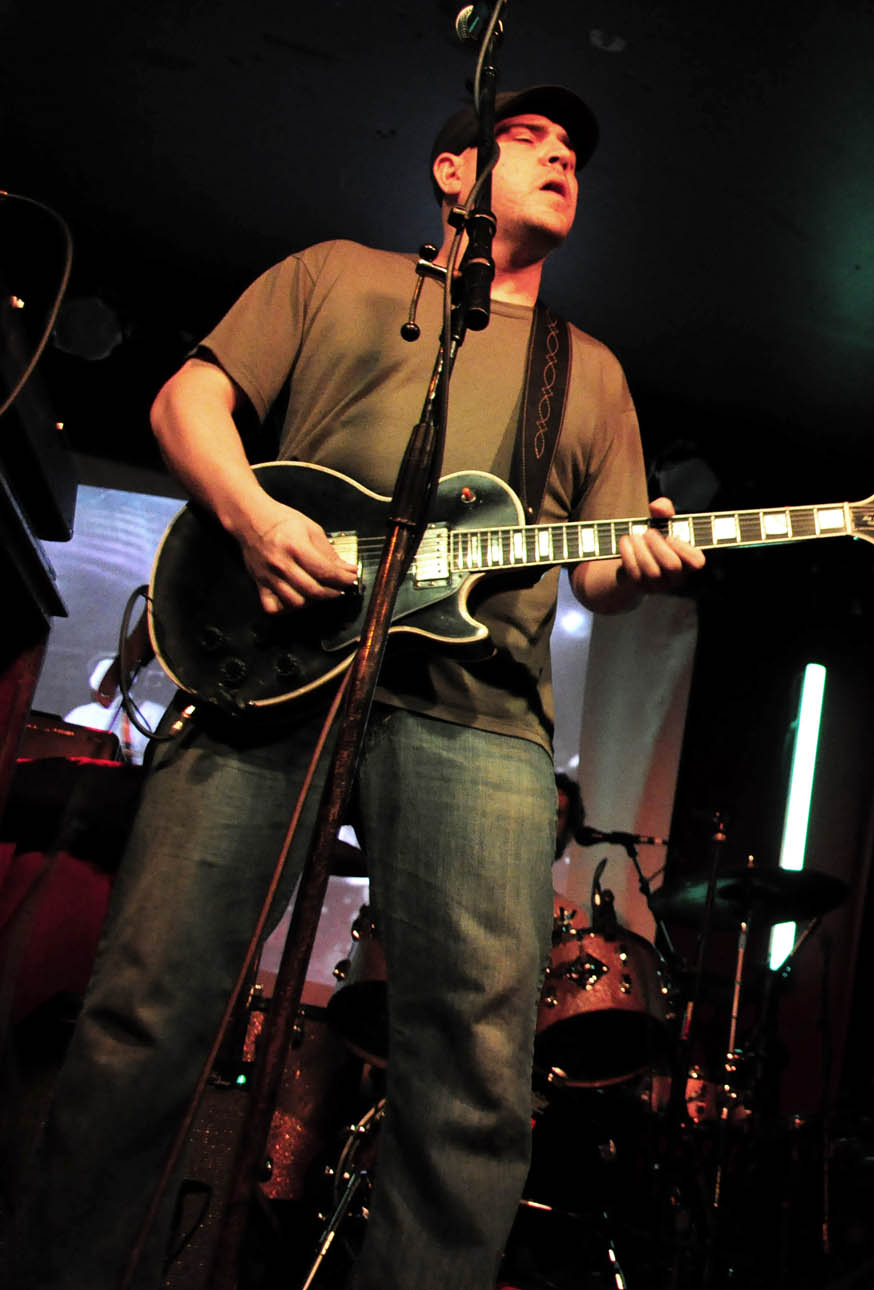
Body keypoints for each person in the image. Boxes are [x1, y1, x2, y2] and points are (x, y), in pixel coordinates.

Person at [10, 84, 703, 1290]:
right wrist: (250, 515)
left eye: (573, 153)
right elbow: (186, 401)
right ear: (452, 171)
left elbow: (597, 574)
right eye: (528, 139)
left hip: (479, 717)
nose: (561, 160)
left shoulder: (586, 369)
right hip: (267, 676)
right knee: (143, 1016)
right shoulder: (332, 274)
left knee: (472, 1080)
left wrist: (639, 561)